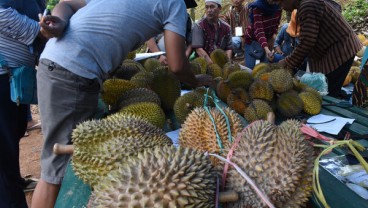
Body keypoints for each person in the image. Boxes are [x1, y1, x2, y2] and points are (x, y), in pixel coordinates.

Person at [31, 0, 213, 207]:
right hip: (72, 71)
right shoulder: (175, 4)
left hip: (62, 66)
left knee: (64, 161)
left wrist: (61, 21)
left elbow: (67, 4)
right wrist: (196, 81)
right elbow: (177, 65)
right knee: (55, 171)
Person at [0, 0, 46, 207]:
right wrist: (39, 30)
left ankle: (14, 180)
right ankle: (11, 200)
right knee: (4, 145)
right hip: (2, 76)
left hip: (14, 77)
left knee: (14, 133)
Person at [278, 0, 362, 97]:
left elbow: (307, 41)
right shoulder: (304, 5)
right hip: (332, 50)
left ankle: (333, 109)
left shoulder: (308, 5)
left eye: (281, 3)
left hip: (341, 51)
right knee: (327, 88)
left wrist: (287, 62)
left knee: (329, 93)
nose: (281, 7)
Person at [243, 0, 282, 69]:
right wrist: (267, 49)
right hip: (252, 40)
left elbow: (276, 24)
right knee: (250, 69)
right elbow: (259, 30)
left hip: (267, 40)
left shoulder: (279, 6)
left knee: (264, 69)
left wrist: (272, 38)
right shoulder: (257, 7)